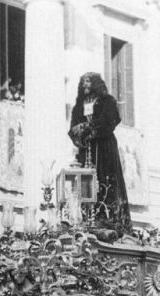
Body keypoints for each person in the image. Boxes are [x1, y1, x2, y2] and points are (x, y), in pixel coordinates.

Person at [68, 72, 132, 235]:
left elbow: (109, 121)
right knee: (85, 182)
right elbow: (73, 126)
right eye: (83, 82)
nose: (85, 85)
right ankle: (85, 216)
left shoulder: (107, 101)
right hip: (86, 149)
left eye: (88, 82)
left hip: (104, 147)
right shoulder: (79, 105)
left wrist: (88, 128)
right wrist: (78, 131)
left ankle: (107, 217)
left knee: (105, 178)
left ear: (95, 83)